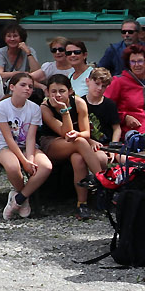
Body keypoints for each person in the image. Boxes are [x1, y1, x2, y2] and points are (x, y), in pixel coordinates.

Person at [0, 71, 53, 220]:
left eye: (30, 86)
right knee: (13, 167)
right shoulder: (1, 107)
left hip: (27, 145)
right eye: (23, 85)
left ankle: (19, 198)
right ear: (12, 87)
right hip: (5, 145)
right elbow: (8, 138)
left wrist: (29, 159)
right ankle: (23, 197)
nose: (27, 89)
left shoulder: (34, 108)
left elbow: (31, 137)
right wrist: (24, 162)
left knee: (46, 166)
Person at [39, 73, 102, 218]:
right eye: (53, 91)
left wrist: (78, 135)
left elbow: (86, 132)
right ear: (47, 92)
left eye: (62, 91)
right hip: (52, 142)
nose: (57, 95)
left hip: (75, 143)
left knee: (77, 158)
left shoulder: (79, 102)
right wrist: (64, 111)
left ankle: (82, 204)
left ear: (70, 91)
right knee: (79, 143)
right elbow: (64, 132)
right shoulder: (45, 107)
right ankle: (103, 180)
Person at [105, 44, 145, 136]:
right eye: (133, 61)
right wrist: (124, 117)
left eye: (140, 61)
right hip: (131, 132)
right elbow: (106, 106)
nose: (136, 65)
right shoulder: (119, 81)